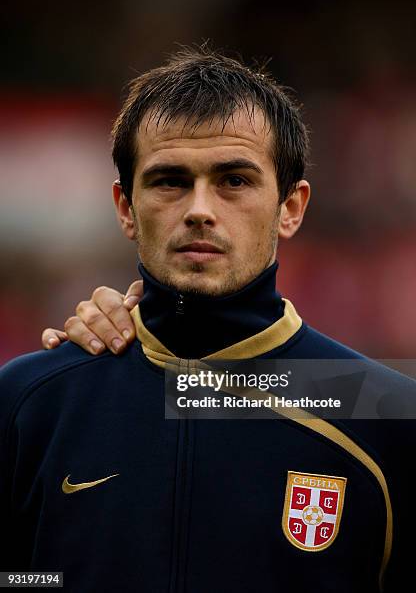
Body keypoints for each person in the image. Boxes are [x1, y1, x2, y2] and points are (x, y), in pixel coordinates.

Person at [1, 45, 413, 593]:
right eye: (169, 180)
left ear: (291, 207)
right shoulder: (31, 402)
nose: (199, 208)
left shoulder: (384, 410)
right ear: (126, 207)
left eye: (234, 181)